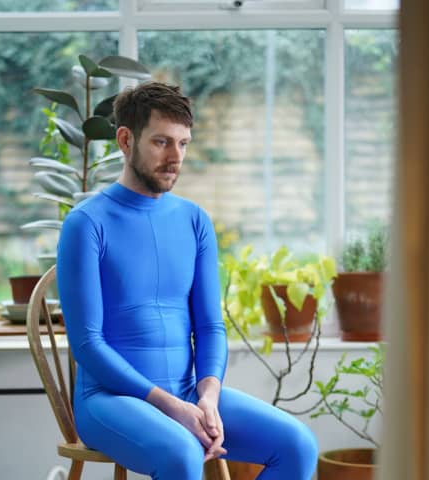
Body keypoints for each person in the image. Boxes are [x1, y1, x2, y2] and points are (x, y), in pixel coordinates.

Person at [56, 81, 318, 479]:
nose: (175, 156)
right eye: (162, 142)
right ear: (125, 140)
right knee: (181, 453)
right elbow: (88, 345)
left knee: (297, 444)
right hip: (108, 400)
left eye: (183, 143)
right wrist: (171, 407)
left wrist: (208, 396)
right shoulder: (86, 224)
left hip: (187, 393)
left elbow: (210, 325)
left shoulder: (194, 220)